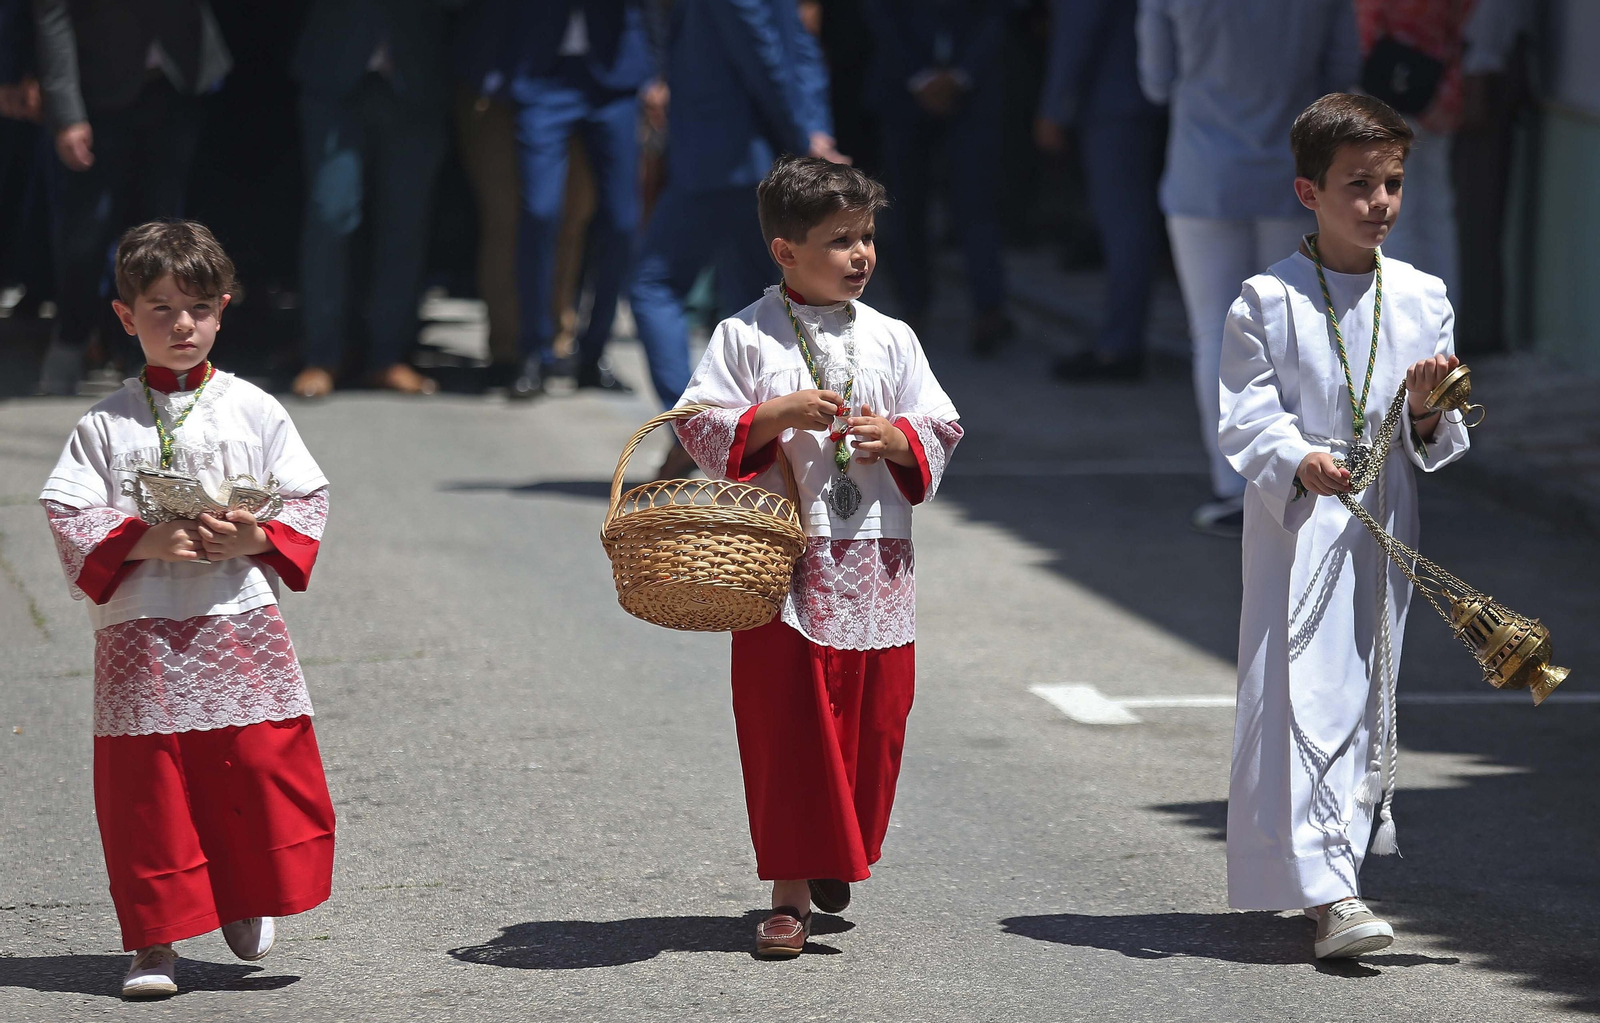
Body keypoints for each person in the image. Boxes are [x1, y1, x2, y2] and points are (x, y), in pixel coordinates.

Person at [672, 156, 961, 957]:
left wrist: (897, 436)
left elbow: (940, 426)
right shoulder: (744, 333)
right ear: (784, 250)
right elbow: (697, 426)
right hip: (782, 568)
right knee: (791, 730)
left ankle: (841, 851)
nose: (861, 254)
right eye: (839, 241)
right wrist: (776, 412)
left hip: (876, 563)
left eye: (867, 237)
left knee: (875, 724)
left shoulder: (893, 337)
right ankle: (790, 894)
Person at [39, 221, 335, 998]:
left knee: (253, 764)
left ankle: (244, 897)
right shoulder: (104, 423)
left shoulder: (255, 408)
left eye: (197, 307)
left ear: (223, 310)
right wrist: (142, 544)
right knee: (151, 787)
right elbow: (68, 514)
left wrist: (255, 532)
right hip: (140, 634)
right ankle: (154, 944)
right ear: (124, 314)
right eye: (160, 306)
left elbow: (307, 495)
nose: (180, 324)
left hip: (236, 618)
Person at [1218, 94, 1469, 960]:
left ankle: (1326, 873)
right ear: (1307, 191)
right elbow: (1247, 414)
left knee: (1366, 689)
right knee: (1306, 691)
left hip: (1384, 514)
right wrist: (1295, 458)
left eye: (1393, 183)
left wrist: (1430, 417)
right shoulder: (1267, 299)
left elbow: (1434, 428)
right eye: (1358, 185)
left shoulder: (1424, 296)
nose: (1380, 203)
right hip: (1302, 520)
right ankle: (1334, 893)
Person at [1136, 0, 1360, 536]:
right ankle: (1302, 476)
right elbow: (1343, 76)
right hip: (1294, 171)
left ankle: (1233, 486)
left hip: (1202, 169)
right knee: (1296, 332)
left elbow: (1156, 82)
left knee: (1214, 330)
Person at [629, 0, 839, 477]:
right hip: (760, 157)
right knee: (755, 305)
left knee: (653, 284)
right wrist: (813, 130)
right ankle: (756, 443)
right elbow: (801, 46)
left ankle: (700, 426)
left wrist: (806, 136)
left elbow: (764, 51)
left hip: (725, 156)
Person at [30, 0, 232, 396]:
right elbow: (51, 20)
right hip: (98, 93)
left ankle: (152, 358)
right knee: (85, 233)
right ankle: (73, 337)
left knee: (166, 231)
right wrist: (66, 114)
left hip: (178, 81)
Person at [289, 0, 455, 399]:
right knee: (330, 216)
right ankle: (322, 354)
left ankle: (388, 356)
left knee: (406, 223)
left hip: (417, 74)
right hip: (336, 75)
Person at [496, 1, 655, 400]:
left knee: (623, 223)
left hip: (613, 78)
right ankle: (533, 353)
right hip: (542, 73)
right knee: (539, 212)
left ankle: (592, 353)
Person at [865, 0, 1013, 355]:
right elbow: (878, 15)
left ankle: (987, 312)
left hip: (975, 92)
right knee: (903, 205)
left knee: (977, 203)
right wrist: (919, 76)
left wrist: (961, 75)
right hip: (902, 88)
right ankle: (911, 313)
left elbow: (998, 14)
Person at [1036, 0, 1165, 380]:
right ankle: (1120, 340)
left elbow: (1080, 28)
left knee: (1125, 227)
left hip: (1115, 100)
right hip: (1137, 96)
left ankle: (1119, 347)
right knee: (1131, 226)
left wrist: (1054, 107)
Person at [1353, 0, 1475, 301]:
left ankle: (1402, 327)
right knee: (1436, 214)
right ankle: (1444, 326)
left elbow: (1363, 28)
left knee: (1392, 213)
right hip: (1438, 85)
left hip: (1385, 88)